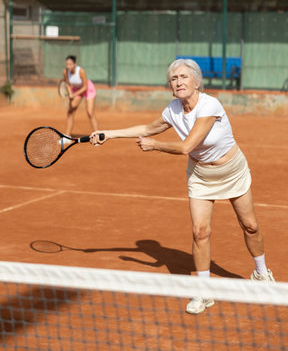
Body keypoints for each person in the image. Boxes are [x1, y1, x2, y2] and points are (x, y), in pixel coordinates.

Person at [90, 58, 275, 315]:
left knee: (250, 226)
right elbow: (148, 128)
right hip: (200, 175)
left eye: (184, 77)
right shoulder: (173, 109)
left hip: (232, 170)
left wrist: (155, 146)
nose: (178, 82)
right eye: (174, 79)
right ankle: (203, 291)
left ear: (196, 82)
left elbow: (187, 146)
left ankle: (261, 272)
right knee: (200, 232)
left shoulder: (210, 105)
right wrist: (109, 133)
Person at [63, 55, 98, 140]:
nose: (68, 66)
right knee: (70, 111)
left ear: (75, 64)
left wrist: (73, 95)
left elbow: (85, 87)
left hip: (88, 89)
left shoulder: (81, 71)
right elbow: (68, 84)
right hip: (76, 89)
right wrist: (70, 93)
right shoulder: (65, 72)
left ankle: (97, 136)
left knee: (90, 112)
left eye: (70, 64)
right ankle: (67, 136)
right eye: (67, 64)